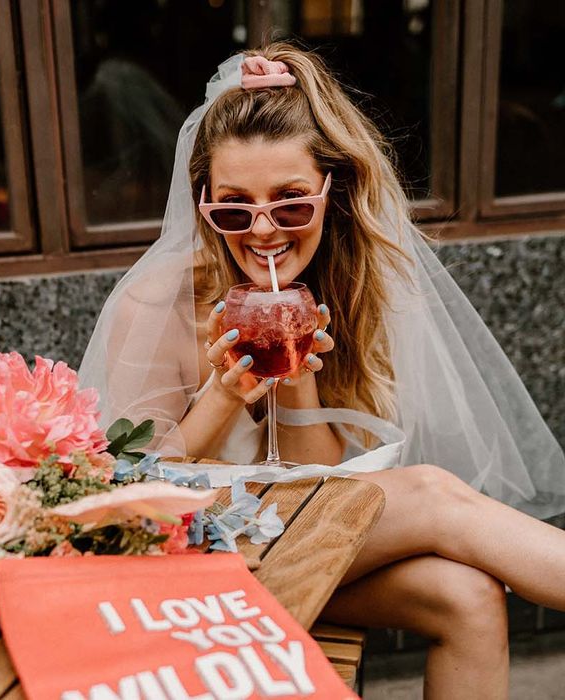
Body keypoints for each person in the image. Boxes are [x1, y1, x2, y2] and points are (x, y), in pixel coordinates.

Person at [80, 42, 565, 696]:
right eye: (232, 207)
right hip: (187, 560)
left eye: (290, 203)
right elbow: (133, 489)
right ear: (202, 204)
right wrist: (225, 394)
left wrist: (298, 378)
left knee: (469, 596)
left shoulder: (337, 288)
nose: (262, 230)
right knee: (432, 493)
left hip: (291, 538)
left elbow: (320, 480)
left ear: (330, 193)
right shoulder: (157, 304)